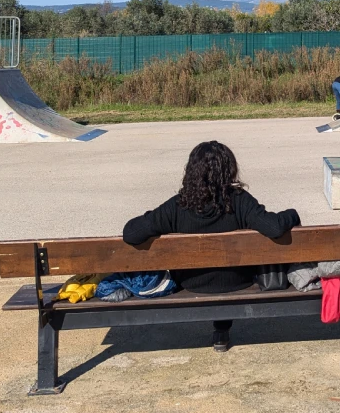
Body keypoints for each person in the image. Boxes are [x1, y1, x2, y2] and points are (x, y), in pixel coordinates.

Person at [122, 141, 301, 352]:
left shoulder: (178, 205)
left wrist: (151, 217)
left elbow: (131, 233)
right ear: (228, 170)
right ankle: (222, 330)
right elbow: (274, 227)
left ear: (191, 171)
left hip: (191, 282)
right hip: (238, 280)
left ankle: (220, 330)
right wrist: (292, 214)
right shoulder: (239, 201)